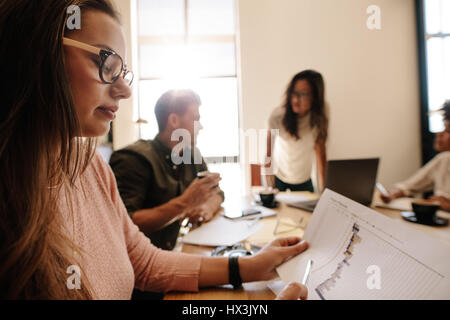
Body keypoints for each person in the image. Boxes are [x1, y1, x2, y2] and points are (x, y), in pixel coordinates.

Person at [0, 0, 308, 300]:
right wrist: (185, 203)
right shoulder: (133, 159)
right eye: (106, 63)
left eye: (124, 72)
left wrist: (248, 266)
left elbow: (143, 260)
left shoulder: (91, 164)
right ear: (39, 52)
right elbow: (140, 223)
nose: (125, 90)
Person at [109, 89, 224, 252]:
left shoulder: (191, 155)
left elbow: (218, 193)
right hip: (141, 262)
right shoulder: (132, 159)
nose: (201, 126)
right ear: (174, 120)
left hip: (176, 249)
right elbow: (125, 221)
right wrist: (185, 203)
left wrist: (205, 209)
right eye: (195, 119)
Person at [264, 70, 328, 192]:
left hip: (304, 179)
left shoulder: (319, 118)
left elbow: (321, 153)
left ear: (316, 97)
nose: (296, 100)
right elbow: (268, 156)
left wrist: (325, 192)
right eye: (294, 93)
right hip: (279, 177)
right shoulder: (277, 117)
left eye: (303, 94)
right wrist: (269, 188)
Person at [380, 101, 450, 211]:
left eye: (448, 130)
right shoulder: (444, 159)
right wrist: (392, 194)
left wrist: (447, 205)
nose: (439, 134)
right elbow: (409, 186)